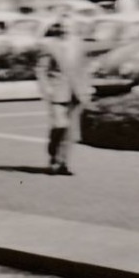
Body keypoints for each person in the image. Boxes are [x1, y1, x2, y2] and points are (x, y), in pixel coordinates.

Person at [35, 20, 92, 176]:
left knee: (71, 131)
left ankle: (62, 163)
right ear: (57, 29)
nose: (65, 29)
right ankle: (53, 152)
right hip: (58, 91)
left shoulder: (79, 44)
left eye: (69, 26)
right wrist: (46, 87)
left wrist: (87, 87)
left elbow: (84, 68)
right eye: (62, 26)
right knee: (60, 125)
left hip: (77, 91)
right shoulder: (49, 45)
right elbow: (41, 69)